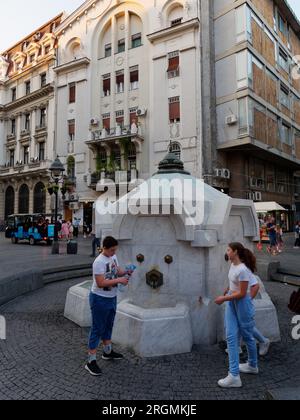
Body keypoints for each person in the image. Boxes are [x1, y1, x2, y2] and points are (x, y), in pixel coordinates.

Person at [85, 236, 134, 376]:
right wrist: (119, 280)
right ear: (105, 248)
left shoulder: (113, 257)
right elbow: (100, 283)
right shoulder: (98, 262)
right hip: (99, 298)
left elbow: (116, 270)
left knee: (108, 325)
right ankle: (90, 361)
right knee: (97, 328)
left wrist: (125, 272)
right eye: (112, 250)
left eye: (115, 250)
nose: (114, 252)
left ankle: (107, 352)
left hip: (111, 297)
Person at [215, 243, 258, 389]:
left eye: (228, 250)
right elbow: (233, 285)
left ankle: (253, 365)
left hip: (240, 304)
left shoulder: (243, 270)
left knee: (247, 336)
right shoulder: (233, 265)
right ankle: (234, 375)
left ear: (235, 252)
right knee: (231, 337)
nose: (226, 252)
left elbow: (241, 293)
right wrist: (226, 292)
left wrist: (223, 299)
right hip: (231, 303)